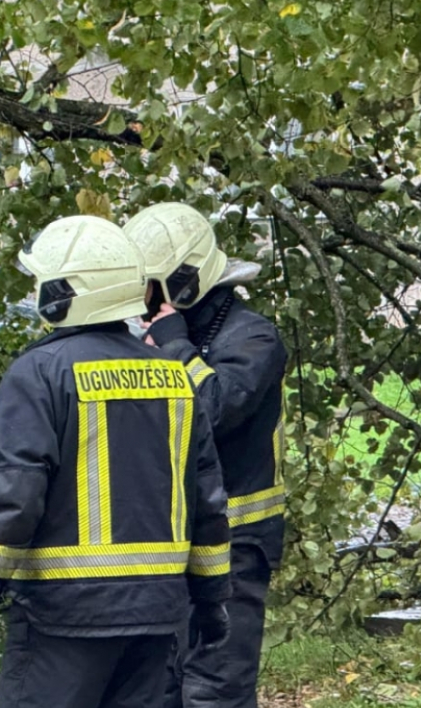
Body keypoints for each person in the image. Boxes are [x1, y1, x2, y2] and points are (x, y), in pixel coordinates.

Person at [0, 215, 233, 708]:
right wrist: (212, 599)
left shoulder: (38, 374)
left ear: (62, 294)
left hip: (62, 619)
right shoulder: (175, 379)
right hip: (156, 616)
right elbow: (207, 501)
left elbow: (15, 498)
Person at [123, 203, 288, 708]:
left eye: (149, 287)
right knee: (160, 688)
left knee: (215, 691)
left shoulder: (253, 338)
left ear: (183, 283)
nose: (141, 300)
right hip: (165, 545)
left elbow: (214, 411)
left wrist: (174, 347)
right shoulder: (156, 339)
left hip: (236, 545)